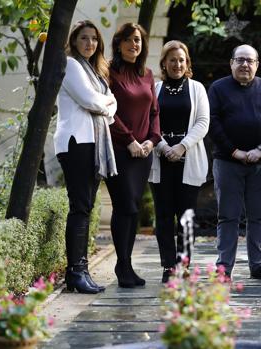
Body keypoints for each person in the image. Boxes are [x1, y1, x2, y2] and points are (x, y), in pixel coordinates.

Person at [54, 20, 117, 294]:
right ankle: (75, 272)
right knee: (80, 207)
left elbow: (111, 105)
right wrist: (105, 104)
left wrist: (104, 104)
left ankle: (81, 270)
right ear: (74, 41)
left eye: (94, 39)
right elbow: (91, 101)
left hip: (92, 142)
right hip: (76, 142)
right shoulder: (71, 65)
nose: (89, 43)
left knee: (86, 207)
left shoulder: (94, 71)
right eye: (84, 38)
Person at [208, 44, 261, 280]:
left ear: (257, 64)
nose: (245, 65)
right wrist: (234, 151)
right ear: (231, 63)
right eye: (240, 60)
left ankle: (258, 265)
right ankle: (224, 268)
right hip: (228, 162)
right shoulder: (218, 88)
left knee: (259, 216)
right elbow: (213, 122)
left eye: (250, 60)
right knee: (228, 216)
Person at [148, 40, 210, 283]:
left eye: (181, 60)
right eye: (172, 60)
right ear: (164, 63)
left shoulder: (197, 89)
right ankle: (168, 267)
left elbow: (203, 123)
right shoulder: (154, 88)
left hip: (188, 158)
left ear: (188, 63)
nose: (177, 64)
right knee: (163, 216)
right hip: (161, 160)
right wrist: (164, 147)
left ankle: (183, 264)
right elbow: (149, 122)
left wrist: (182, 146)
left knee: (186, 216)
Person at [106, 23, 161, 288]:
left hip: (144, 153)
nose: (134, 45)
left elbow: (154, 112)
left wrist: (151, 140)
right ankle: (122, 264)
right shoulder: (108, 72)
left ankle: (126, 265)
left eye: (137, 40)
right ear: (118, 44)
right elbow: (109, 112)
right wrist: (129, 140)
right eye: (128, 40)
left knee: (134, 208)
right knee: (124, 206)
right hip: (119, 150)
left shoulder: (147, 74)